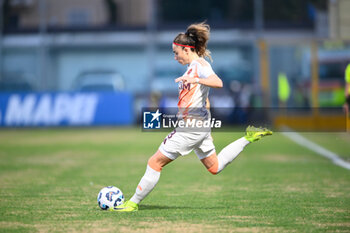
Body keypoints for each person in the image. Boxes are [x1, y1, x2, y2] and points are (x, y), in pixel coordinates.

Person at [112, 22, 272, 212]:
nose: (175, 57)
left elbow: (218, 82)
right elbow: (205, 100)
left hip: (190, 129)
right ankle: (248, 138)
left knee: (154, 162)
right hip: (199, 127)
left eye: (176, 52)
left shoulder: (199, 66)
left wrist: (196, 81)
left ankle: (132, 204)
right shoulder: (191, 68)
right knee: (215, 167)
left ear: (187, 49)